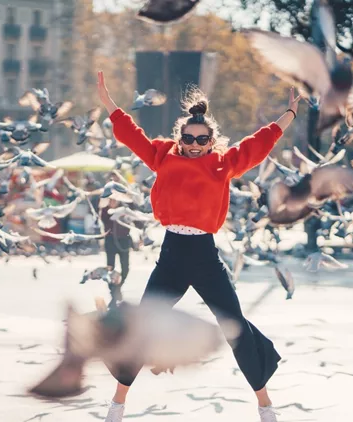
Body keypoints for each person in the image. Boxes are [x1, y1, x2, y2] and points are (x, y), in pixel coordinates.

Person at [96, 70, 301, 422]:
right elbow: (132, 135)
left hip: (205, 256)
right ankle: (117, 405)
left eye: (201, 139)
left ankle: (265, 404)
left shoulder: (223, 163)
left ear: (211, 140)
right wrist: (109, 103)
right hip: (172, 255)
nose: (194, 144)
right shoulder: (162, 156)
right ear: (180, 137)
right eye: (188, 138)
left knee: (235, 327)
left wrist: (290, 114)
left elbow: (257, 144)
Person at [100, 198, 132, 285]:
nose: (113, 202)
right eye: (111, 200)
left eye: (115, 200)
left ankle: (122, 281)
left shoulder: (124, 209)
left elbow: (133, 220)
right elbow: (104, 221)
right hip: (110, 240)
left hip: (124, 240)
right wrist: (111, 211)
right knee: (110, 265)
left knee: (125, 266)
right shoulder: (105, 210)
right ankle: (111, 284)